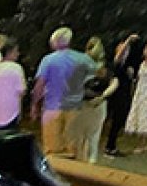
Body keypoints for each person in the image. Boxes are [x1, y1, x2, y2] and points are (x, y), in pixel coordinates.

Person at [31, 27, 97, 158]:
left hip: (52, 108)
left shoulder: (48, 60)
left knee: (52, 150)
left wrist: (34, 105)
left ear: (54, 42)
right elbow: (95, 79)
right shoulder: (83, 59)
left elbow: (40, 85)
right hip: (76, 108)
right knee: (74, 150)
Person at [70, 37, 120, 163]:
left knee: (79, 136)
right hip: (99, 105)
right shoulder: (106, 67)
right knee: (94, 137)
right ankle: (91, 163)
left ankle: (79, 163)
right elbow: (115, 82)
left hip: (82, 104)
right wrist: (102, 96)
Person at [104, 33, 139, 155]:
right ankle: (109, 146)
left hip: (125, 94)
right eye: (123, 48)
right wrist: (128, 40)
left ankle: (111, 145)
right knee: (114, 120)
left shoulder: (127, 65)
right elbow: (119, 56)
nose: (125, 50)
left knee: (119, 121)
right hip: (117, 95)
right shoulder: (117, 62)